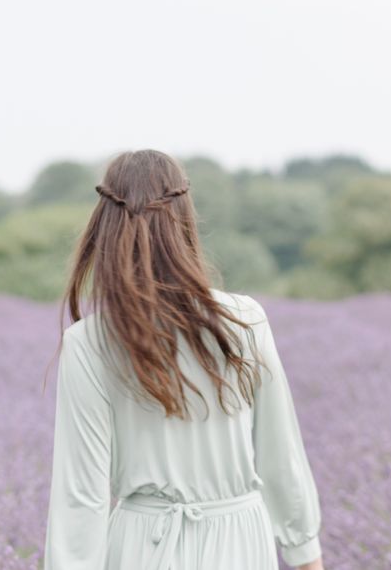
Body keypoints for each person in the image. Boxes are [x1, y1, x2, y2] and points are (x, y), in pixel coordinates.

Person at [42, 149, 325, 570]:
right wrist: (305, 555)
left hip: (141, 545)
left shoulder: (89, 342)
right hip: (240, 543)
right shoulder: (244, 320)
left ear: (104, 225)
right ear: (185, 217)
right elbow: (279, 456)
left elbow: (82, 495)